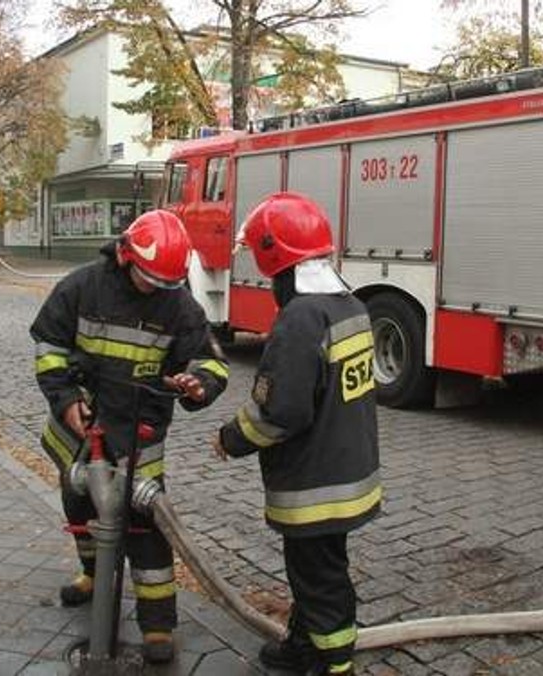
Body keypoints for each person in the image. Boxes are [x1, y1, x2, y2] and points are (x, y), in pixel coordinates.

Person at [29, 210, 229, 664]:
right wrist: (64, 399)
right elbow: (49, 347)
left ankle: (158, 625)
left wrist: (199, 384)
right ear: (124, 256)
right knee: (79, 507)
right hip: (80, 431)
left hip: (139, 439)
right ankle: (92, 576)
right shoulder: (81, 288)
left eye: (166, 283)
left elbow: (212, 362)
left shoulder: (178, 304)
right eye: (149, 279)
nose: (156, 290)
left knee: (146, 530)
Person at [213, 192, 381, 676]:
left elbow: (280, 413)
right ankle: (303, 647)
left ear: (274, 257)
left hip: (316, 486)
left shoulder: (299, 320)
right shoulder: (350, 305)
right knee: (316, 573)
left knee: (320, 581)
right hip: (350, 471)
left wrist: (230, 439)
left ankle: (332, 662)